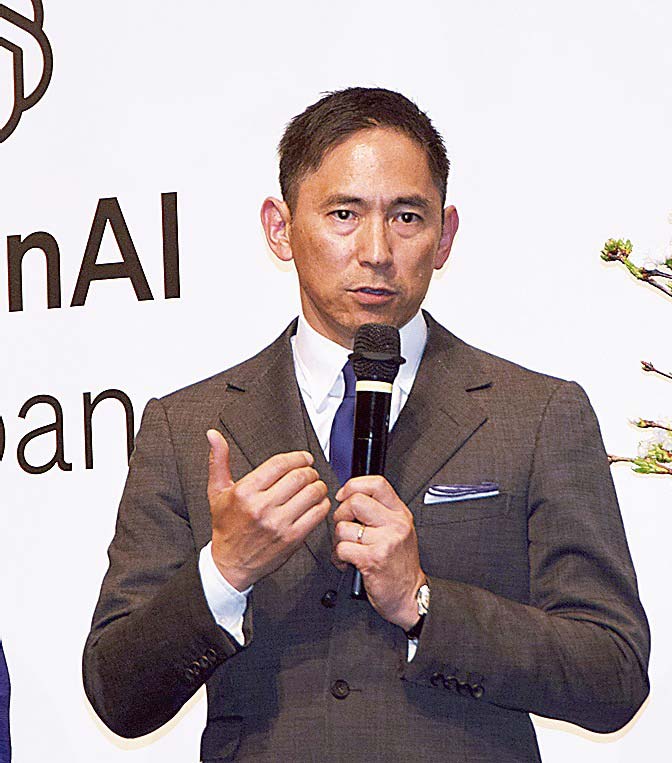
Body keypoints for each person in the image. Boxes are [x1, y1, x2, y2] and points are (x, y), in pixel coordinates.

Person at [83, 88, 650, 762]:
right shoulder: (187, 428)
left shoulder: (537, 414)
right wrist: (224, 571)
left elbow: (613, 673)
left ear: (445, 235)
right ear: (280, 227)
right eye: (344, 214)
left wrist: (423, 601)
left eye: (407, 216)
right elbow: (118, 695)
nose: (377, 250)